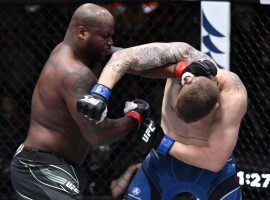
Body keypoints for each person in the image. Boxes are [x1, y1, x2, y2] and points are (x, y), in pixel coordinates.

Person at [10, 3, 150, 200]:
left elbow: (128, 58)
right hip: (40, 167)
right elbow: (97, 135)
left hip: (52, 165)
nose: (111, 42)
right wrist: (134, 118)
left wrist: (179, 66)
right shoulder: (73, 73)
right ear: (82, 32)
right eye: (105, 35)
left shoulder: (69, 51)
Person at [78, 43, 247, 199]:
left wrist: (161, 141)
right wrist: (99, 94)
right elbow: (123, 57)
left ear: (216, 105)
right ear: (185, 80)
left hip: (210, 173)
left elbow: (213, 161)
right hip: (163, 163)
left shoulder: (232, 94)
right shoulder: (181, 55)